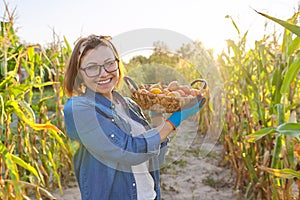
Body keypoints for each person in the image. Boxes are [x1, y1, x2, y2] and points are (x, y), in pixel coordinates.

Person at [63, 34, 206, 200]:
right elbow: (127, 151)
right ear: (79, 73)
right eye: (92, 67)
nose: (103, 73)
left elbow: (154, 157)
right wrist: (175, 120)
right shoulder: (77, 108)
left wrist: (157, 117)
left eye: (109, 63)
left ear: (117, 64)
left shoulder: (129, 105)